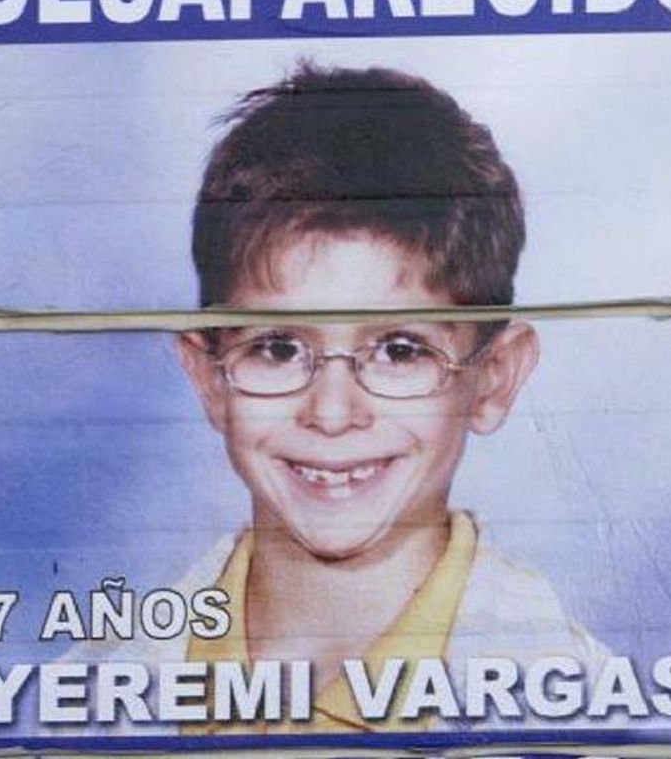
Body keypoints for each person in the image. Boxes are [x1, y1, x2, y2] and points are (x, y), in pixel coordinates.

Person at [64, 64, 608, 735]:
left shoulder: (593, 712)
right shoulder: (83, 699)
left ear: (494, 378)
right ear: (208, 378)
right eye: (277, 348)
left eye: (401, 350)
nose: (331, 413)